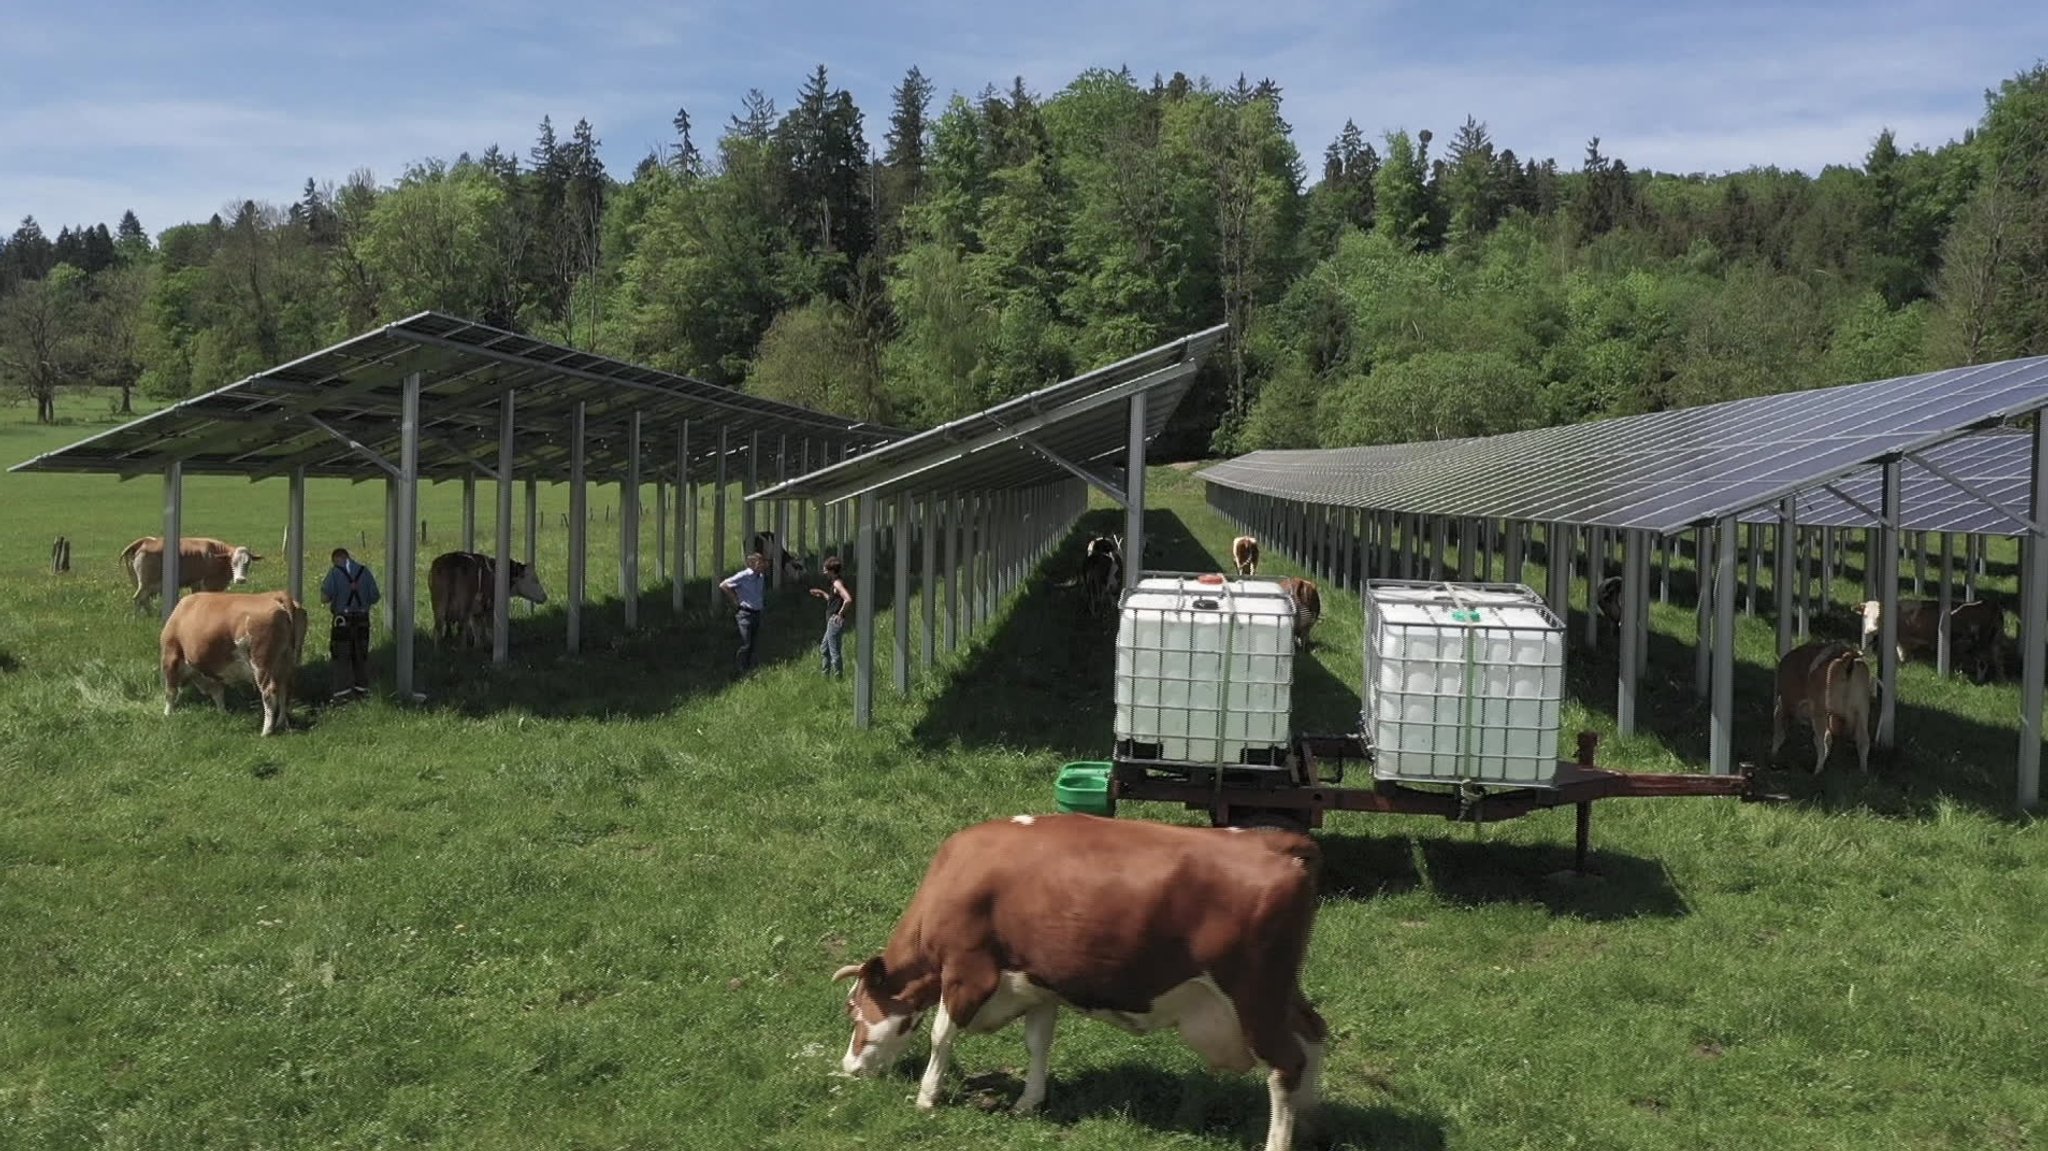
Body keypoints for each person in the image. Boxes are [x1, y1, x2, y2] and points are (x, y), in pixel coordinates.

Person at [320, 547, 380, 699]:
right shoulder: (364, 572)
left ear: (336, 559)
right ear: (348, 557)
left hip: (342, 620)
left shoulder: (334, 573)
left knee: (341, 655)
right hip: (362, 619)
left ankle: (342, 692)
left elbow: (324, 598)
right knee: (361, 654)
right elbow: (375, 597)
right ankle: (362, 690)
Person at [720, 551, 771, 677]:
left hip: (757, 612)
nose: (763, 565)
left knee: (753, 642)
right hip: (745, 613)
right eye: (761, 562)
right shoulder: (744, 576)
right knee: (745, 642)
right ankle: (740, 669)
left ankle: (749, 667)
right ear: (753, 564)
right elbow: (724, 585)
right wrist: (735, 599)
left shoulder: (761, 577)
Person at [809, 556, 853, 678]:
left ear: (832, 570)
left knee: (834, 650)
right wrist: (822, 593)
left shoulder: (837, 583)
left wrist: (840, 614)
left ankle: (838, 676)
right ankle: (825, 675)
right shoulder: (835, 584)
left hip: (834, 621)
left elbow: (848, 599)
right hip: (831, 621)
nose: (824, 571)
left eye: (825, 569)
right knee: (824, 648)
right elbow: (834, 600)